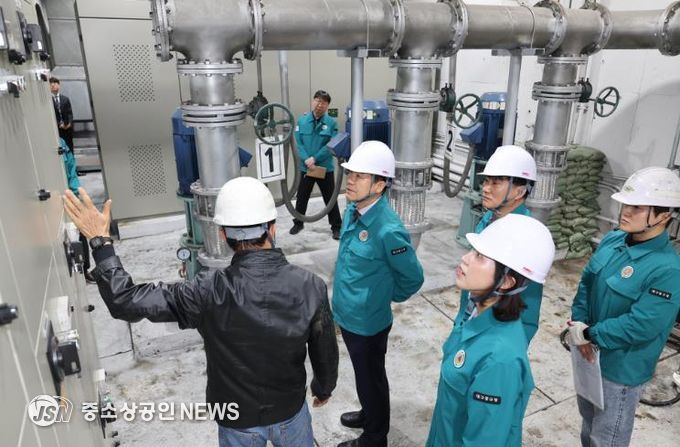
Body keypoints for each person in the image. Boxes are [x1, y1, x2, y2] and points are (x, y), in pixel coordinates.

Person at [63, 177, 339, 447]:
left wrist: (101, 244)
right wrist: (323, 388)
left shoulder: (207, 290)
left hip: (235, 416)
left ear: (223, 234)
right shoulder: (310, 286)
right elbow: (325, 349)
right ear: (273, 228)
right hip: (289, 410)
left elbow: (125, 300)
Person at [567, 167, 680, 447]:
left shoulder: (667, 269)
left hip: (621, 370)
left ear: (663, 215)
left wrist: (590, 334)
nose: (625, 212)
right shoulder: (613, 239)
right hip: (588, 354)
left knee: (607, 438)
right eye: (626, 204)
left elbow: (642, 324)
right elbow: (587, 283)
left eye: (637, 207)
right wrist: (579, 325)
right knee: (588, 424)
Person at [427, 214, 556, 446]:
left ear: (506, 282)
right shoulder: (475, 316)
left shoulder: (499, 359)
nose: (465, 258)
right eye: (472, 251)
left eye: (479, 256)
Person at [332, 140, 424, 447]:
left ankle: (374, 437)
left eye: (360, 176)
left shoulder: (388, 230)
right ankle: (369, 413)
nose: (350, 180)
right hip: (348, 315)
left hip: (368, 323)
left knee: (371, 378)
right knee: (365, 376)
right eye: (350, 174)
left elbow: (413, 278)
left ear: (380, 184)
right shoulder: (354, 210)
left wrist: (382, 297)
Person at [454, 145, 544, 344]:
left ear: (520, 191)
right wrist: (461, 322)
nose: (486, 188)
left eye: (496, 183)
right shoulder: (489, 219)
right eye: (486, 181)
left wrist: (506, 349)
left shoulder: (527, 237)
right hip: (470, 317)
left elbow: (527, 308)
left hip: (493, 335)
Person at [290, 89, 342, 240]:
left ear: (327, 105)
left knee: (330, 198)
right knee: (302, 196)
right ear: (313, 101)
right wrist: (307, 159)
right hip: (306, 167)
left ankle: (336, 227)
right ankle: (298, 223)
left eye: (324, 102)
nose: (320, 104)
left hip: (324, 168)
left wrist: (315, 158)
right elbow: (299, 144)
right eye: (318, 101)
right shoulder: (302, 121)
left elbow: (331, 144)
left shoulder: (331, 123)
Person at [59, 137, 94, 283]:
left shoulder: (60, 142)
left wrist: (74, 191)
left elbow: (71, 167)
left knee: (80, 231)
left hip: (69, 193)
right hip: (55, 195)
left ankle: (84, 269)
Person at [50, 77, 74, 154]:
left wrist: (69, 123)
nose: (53, 86)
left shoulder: (65, 99)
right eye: (51, 84)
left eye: (55, 84)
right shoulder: (49, 100)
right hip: (56, 129)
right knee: (59, 149)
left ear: (59, 85)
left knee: (69, 147)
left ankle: (71, 160)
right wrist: (59, 124)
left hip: (67, 128)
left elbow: (70, 113)